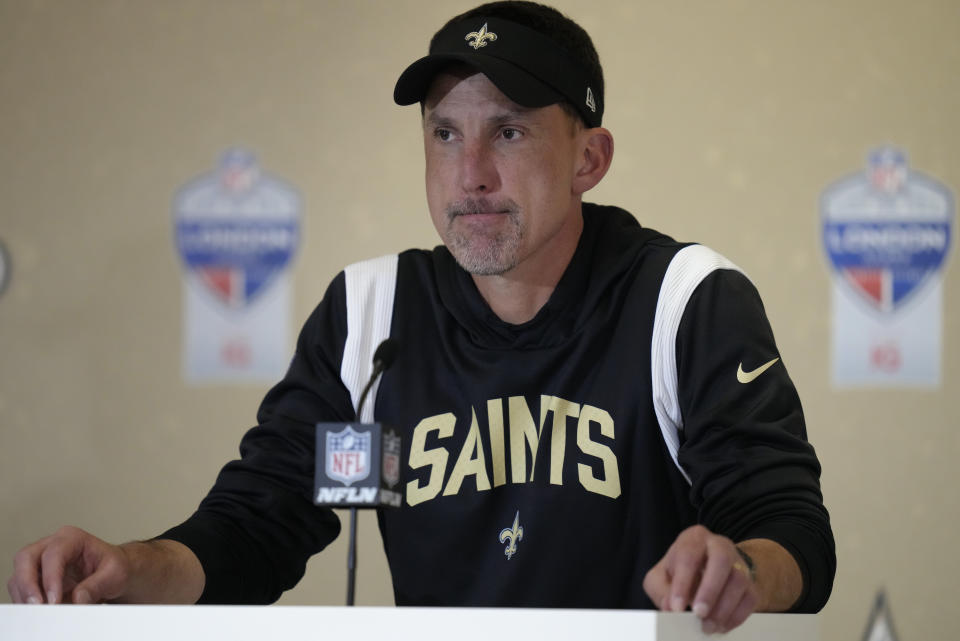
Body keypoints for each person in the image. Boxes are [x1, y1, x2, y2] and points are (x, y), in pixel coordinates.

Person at [7, 1, 835, 634]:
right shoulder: (375, 320)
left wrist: (743, 569)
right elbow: (262, 528)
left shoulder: (682, 300)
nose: (469, 174)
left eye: (507, 131)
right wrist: (130, 569)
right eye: (445, 133)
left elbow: (789, 529)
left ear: (589, 157)